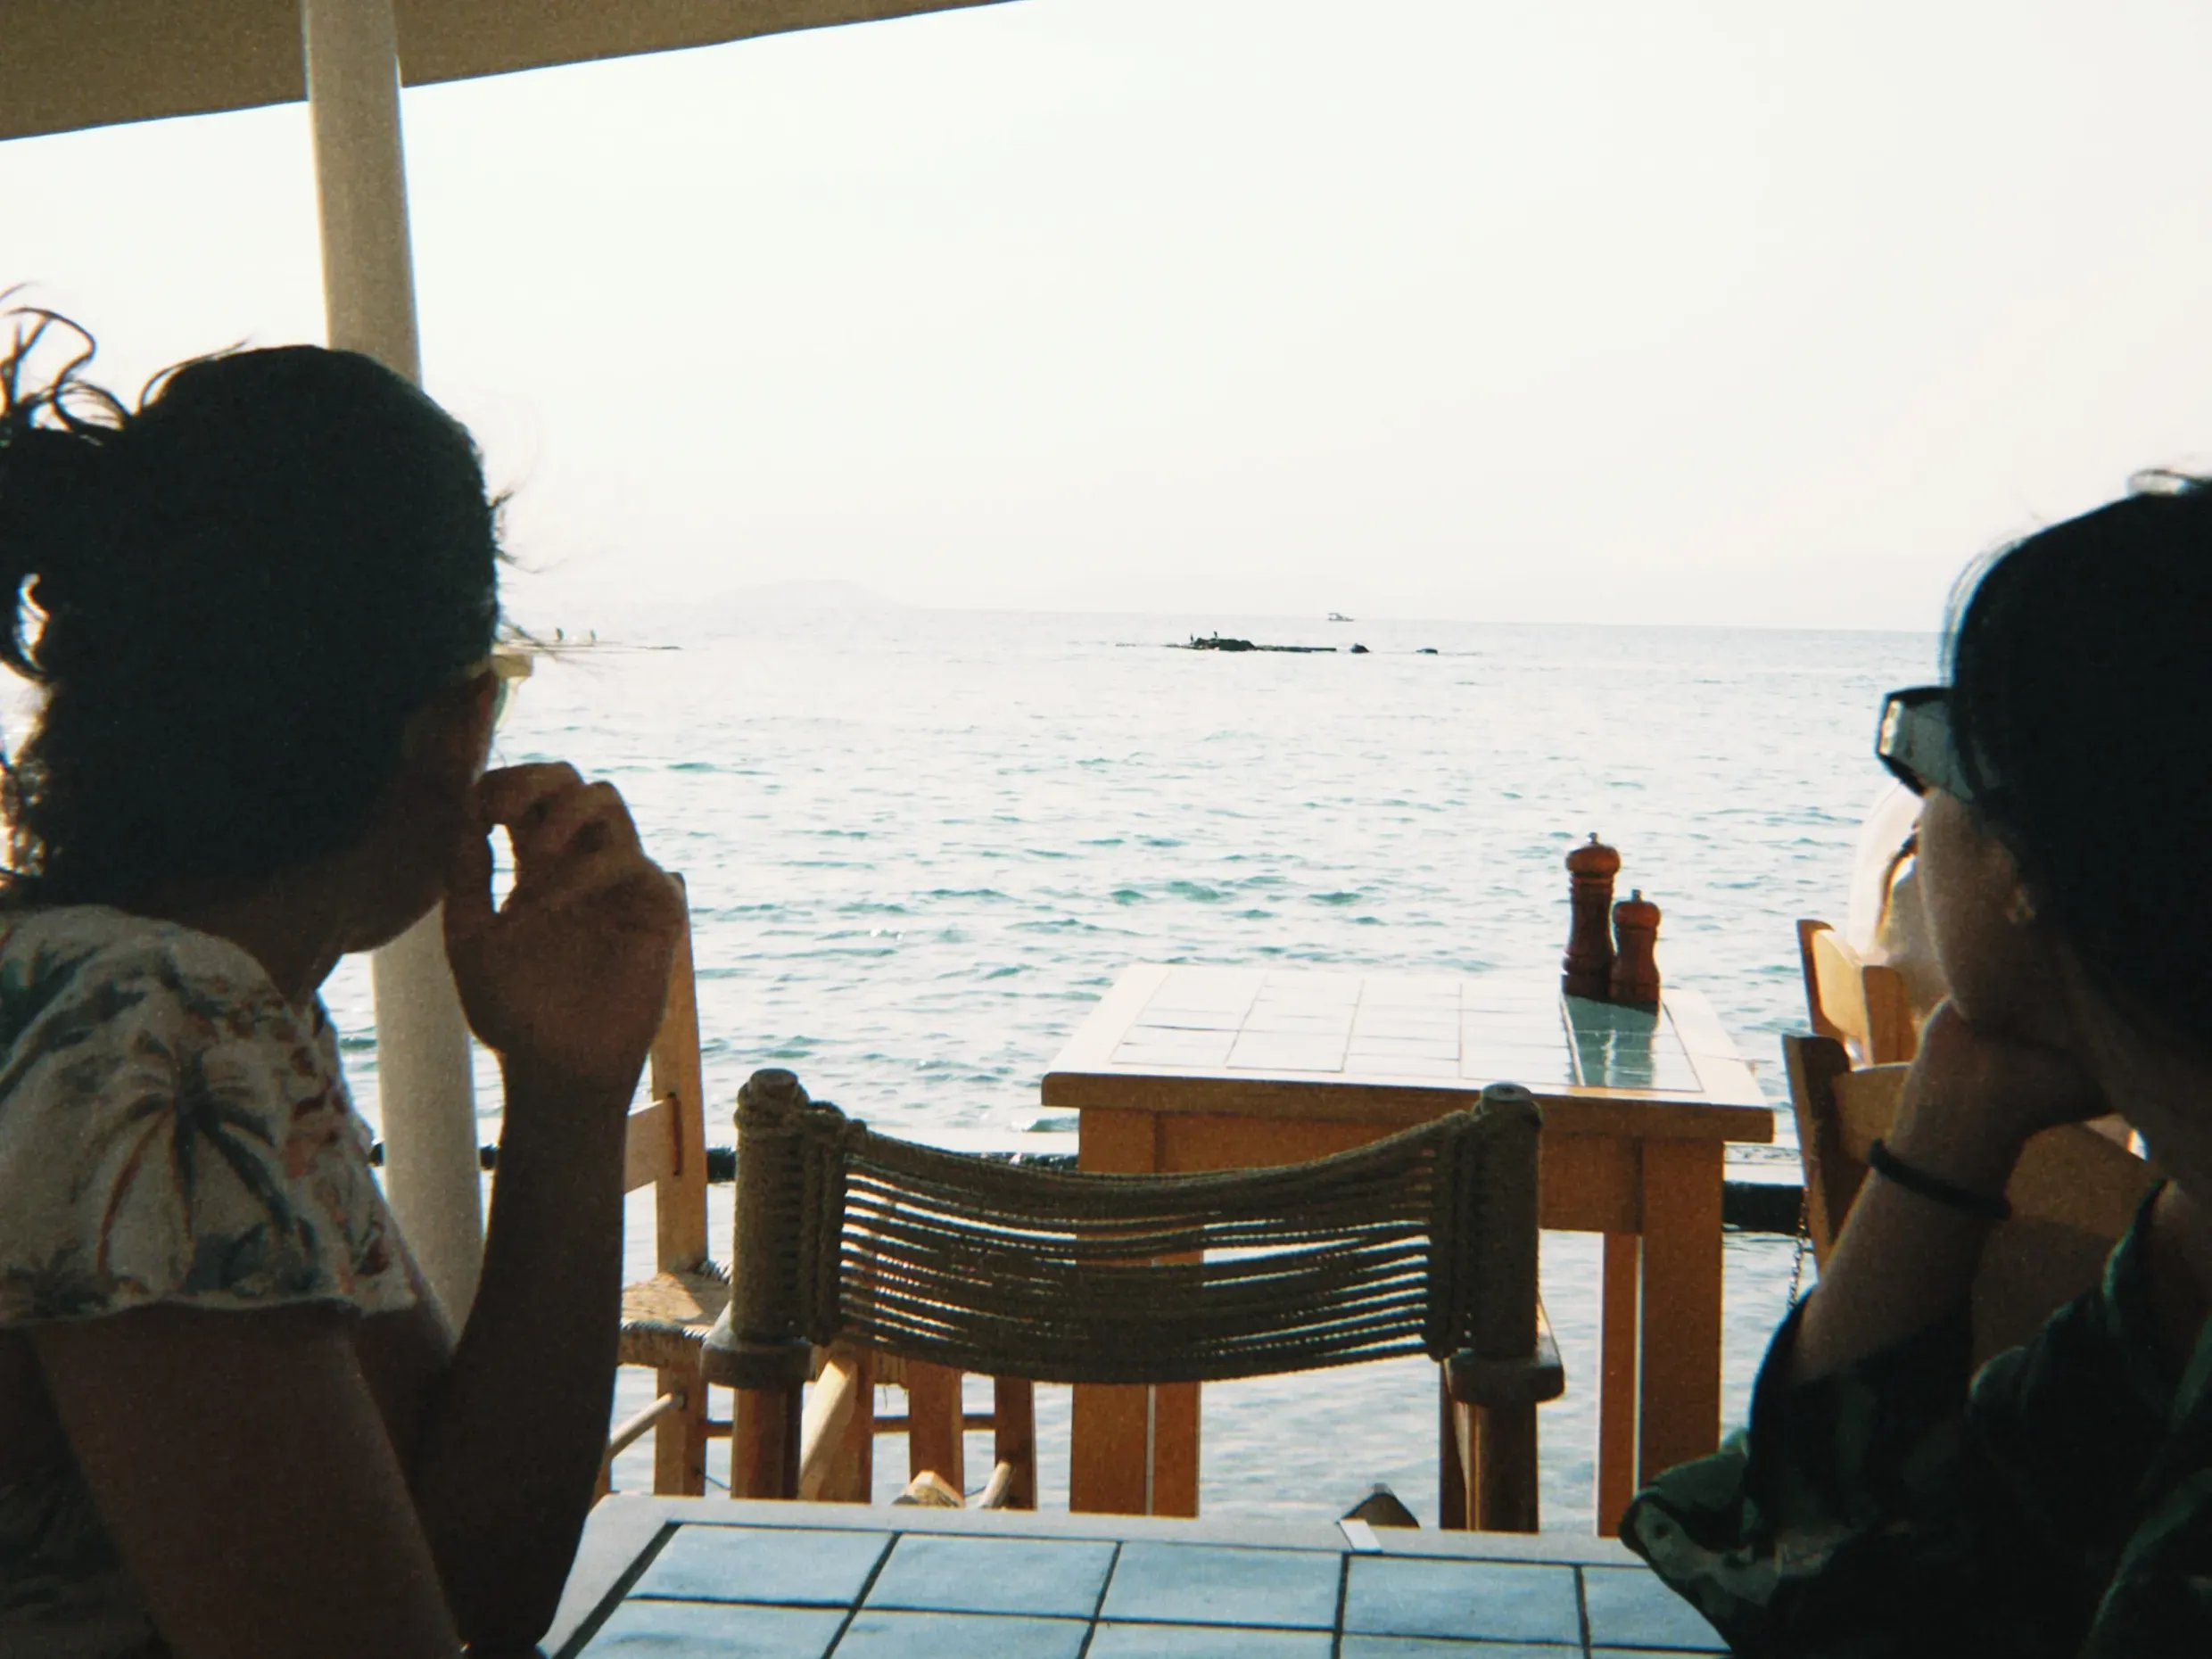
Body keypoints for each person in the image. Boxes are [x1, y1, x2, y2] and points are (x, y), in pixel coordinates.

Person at [0, 311, 684, 1657]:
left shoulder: (135, 1000)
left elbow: (466, 1581)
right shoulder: (154, 1031)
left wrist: (565, 1101)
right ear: (452, 724)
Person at [1622, 477, 2212, 1654]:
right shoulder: (2193, 1244)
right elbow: (1834, 1575)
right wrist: (1956, 1114)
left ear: (2029, 866)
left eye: (1931, 754)